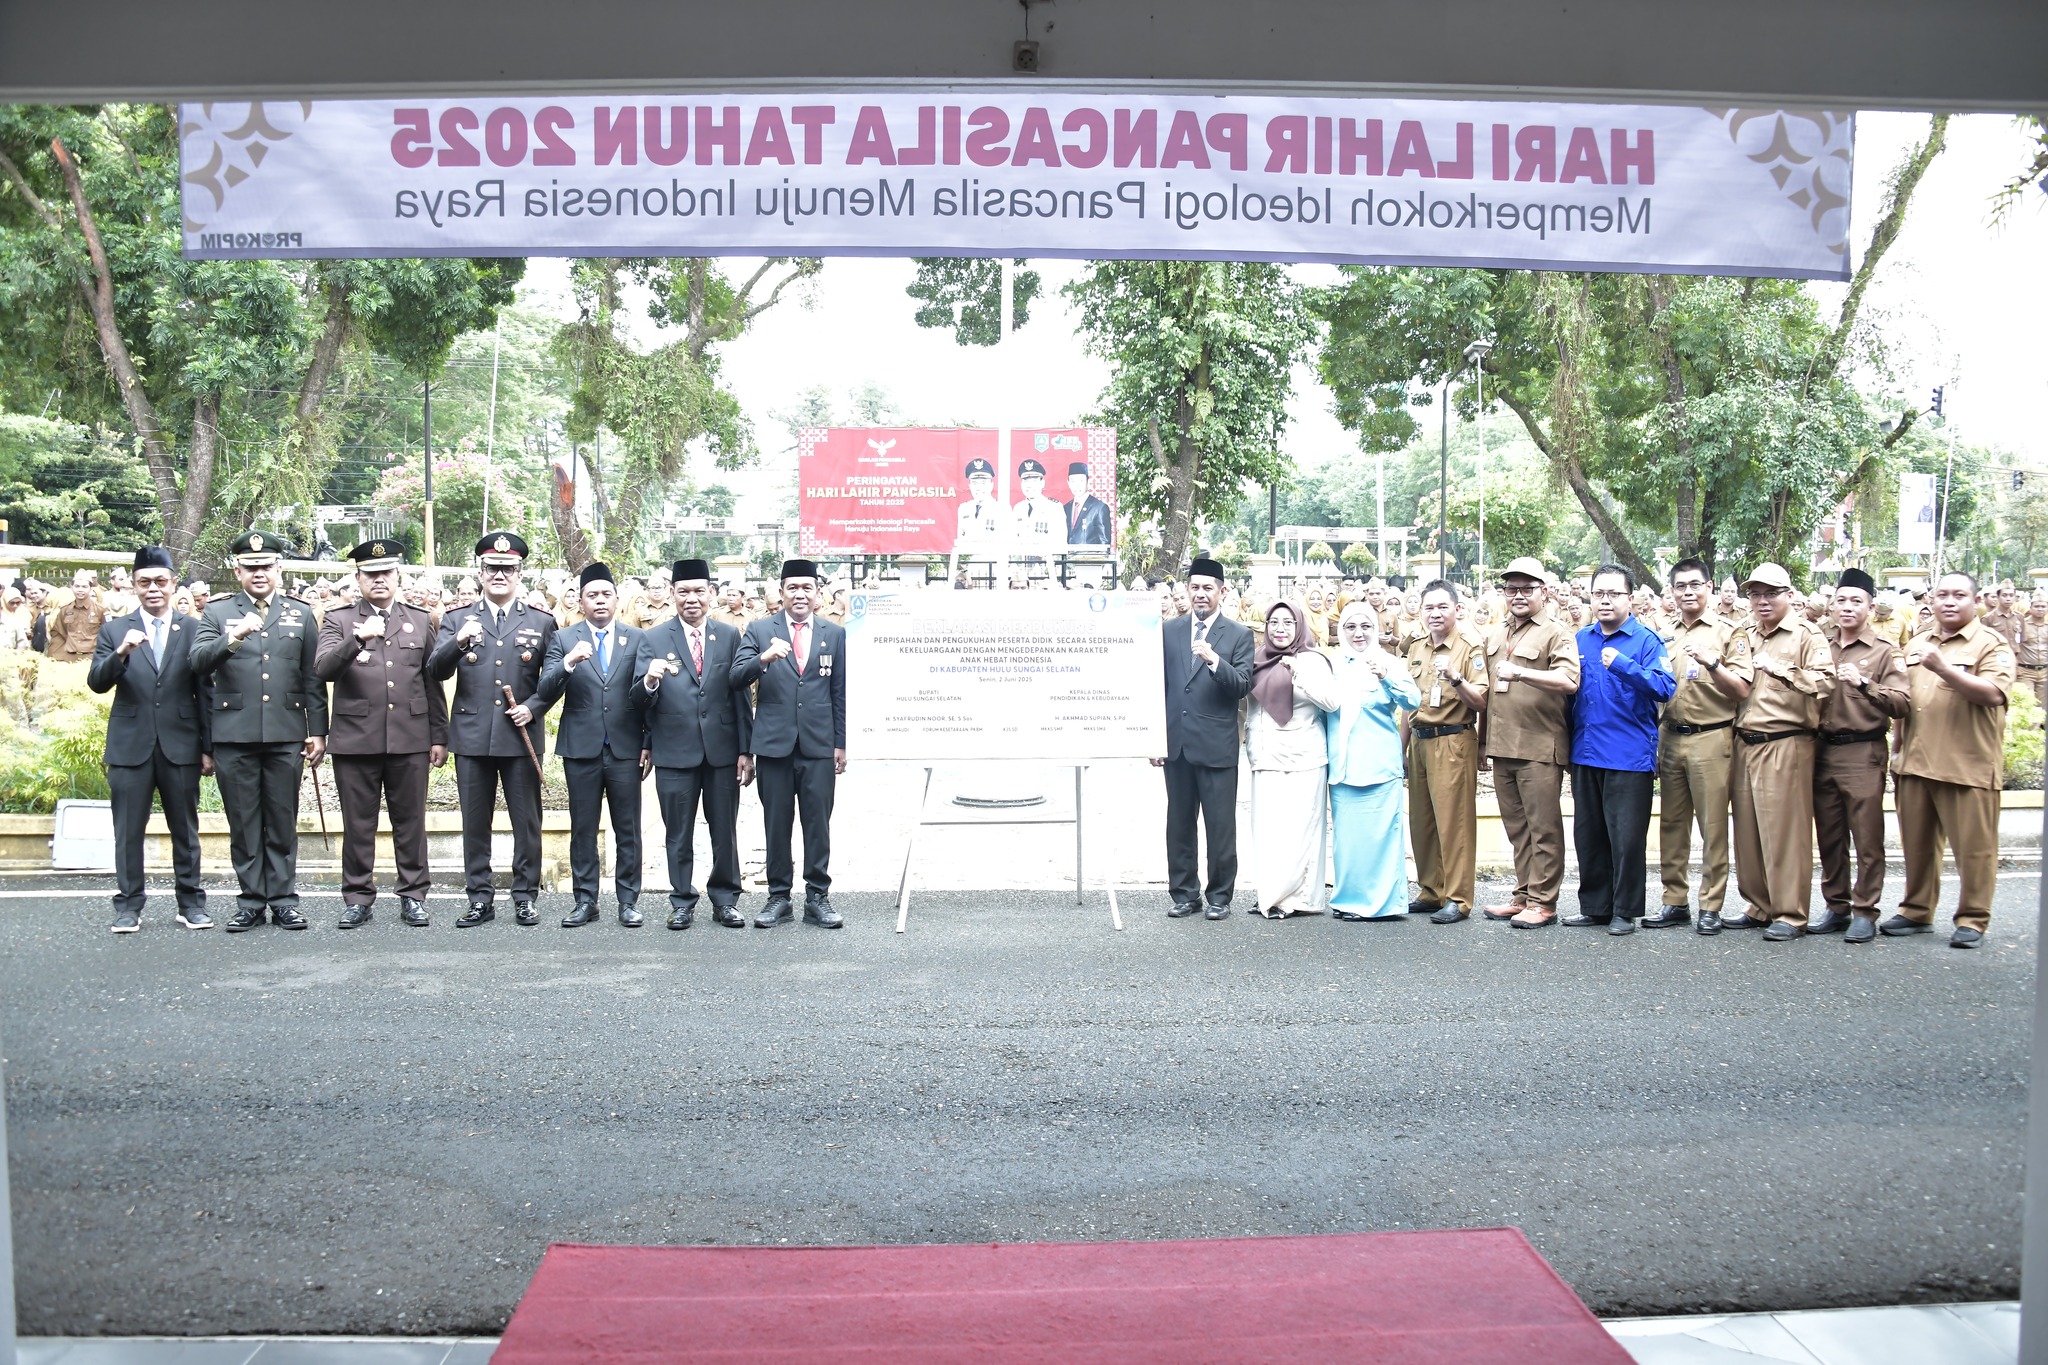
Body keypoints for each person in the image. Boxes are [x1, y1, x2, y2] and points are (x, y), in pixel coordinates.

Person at [189, 529, 329, 932]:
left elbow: (312, 678)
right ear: (238, 571)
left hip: (286, 733)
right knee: (245, 823)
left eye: (266, 566)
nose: (259, 573)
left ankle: (284, 899)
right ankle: (251, 900)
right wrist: (233, 637)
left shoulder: (299, 613)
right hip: (235, 734)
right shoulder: (217, 613)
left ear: (279, 568)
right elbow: (198, 662)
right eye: (251, 567)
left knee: (282, 820)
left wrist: (317, 731)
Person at [313, 538, 446, 930]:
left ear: (398, 575)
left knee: (411, 821)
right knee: (359, 823)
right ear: (358, 578)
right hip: (357, 738)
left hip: (410, 736)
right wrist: (358, 639)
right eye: (370, 574)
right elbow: (323, 670)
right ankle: (357, 897)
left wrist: (439, 735)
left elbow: (432, 681)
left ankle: (413, 895)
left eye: (386, 573)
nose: (379, 580)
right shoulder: (338, 619)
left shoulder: (420, 619)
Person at [429, 531, 556, 928]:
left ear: (520, 573)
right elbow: (435, 670)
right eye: (492, 568)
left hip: (520, 738)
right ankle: (480, 897)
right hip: (471, 735)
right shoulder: (455, 618)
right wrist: (457, 642)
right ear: (480, 572)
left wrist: (533, 710)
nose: (500, 574)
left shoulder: (542, 621)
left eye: (508, 568)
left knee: (526, 821)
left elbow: (553, 679)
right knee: (475, 822)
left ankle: (525, 896)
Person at [1883, 571, 2016, 949]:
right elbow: (1907, 701)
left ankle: (1973, 917)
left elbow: (1993, 694)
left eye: (1959, 595)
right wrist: (1898, 748)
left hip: (1966, 764)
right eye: (1942, 595)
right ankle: (1916, 910)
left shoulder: (1991, 644)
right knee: (1917, 844)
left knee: (1974, 849)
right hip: (1916, 761)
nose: (1949, 602)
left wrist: (1943, 668)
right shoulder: (1920, 641)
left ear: (1975, 602)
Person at [88, 546, 212, 934]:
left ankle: (190, 903)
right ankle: (128, 906)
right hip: (130, 744)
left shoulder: (193, 629)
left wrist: (208, 748)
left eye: (161, 581)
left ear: (174, 584)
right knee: (128, 831)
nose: (153, 589)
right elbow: (97, 682)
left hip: (181, 743)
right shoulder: (114, 630)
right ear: (133, 586)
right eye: (145, 583)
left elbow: (205, 693)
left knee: (185, 830)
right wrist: (122, 651)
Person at [636, 558, 754, 930]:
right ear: (672, 595)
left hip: (722, 750)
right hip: (674, 749)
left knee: (725, 828)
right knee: (678, 832)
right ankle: (682, 900)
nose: (691, 599)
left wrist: (745, 750)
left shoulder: (729, 635)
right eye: (683, 592)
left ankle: (725, 898)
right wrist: (651, 682)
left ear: (712, 595)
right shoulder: (652, 638)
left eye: (699, 591)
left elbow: (740, 696)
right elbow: (638, 700)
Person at [731, 558, 847, 928]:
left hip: (818, 745)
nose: (799, 594)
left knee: (818, 823)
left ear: (817, 593)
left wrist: (840, 743)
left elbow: (840, 692)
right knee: (776, 823)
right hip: (774, 745)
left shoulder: (834, 633)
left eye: (806, 587)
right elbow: (735, 677)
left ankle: (818, 898)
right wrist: (763, 659)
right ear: (780, 593)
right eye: (792, 587)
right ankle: (778, 897)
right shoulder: (760, 629)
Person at [1563, 565, 1676, 935]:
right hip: (1586, 751)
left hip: (1628, 755)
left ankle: (1624, 910)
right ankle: (1595, 906)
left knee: (1626, 838)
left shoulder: (1646, 641)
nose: (1606, 600)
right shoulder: (1580, 639)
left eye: (1614, 594)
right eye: (1599, 594)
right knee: (1588, 833)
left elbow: (1665, 687)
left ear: (1630, 599)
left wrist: (1625, 666)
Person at [536, 562, 647, 928]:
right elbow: (545, 689)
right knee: (583, 826)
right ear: (580, 602)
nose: (600, 601)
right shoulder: (565, 639)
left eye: (606, 595)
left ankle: (628, 900)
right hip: (581, 747)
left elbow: (648, 697)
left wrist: (648, 743)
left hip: (625, 748)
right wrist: (568, 663)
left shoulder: (636, 638)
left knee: (627, 827)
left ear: (617, 599)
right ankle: (586, 900)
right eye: (592, 596)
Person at [1728, 562, 1834, 941]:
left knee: (1785, 832)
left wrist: (1781, 670)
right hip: (1745, 740)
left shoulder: (1807, 634)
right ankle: (1759, 905)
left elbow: (1826, 683)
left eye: (1770, 593)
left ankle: (1790, 912)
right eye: (1755, 594)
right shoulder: (1745, 633)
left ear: (1790, 595)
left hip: (1786, 740)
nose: (1761, 600)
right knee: (1748, 830)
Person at [1653, 556, 1753, 933]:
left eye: (1695, 585)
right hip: (1670, 736)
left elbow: (1742, 689)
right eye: (1681, 586)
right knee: (1672, 824)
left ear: (1710, 588)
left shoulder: (1729, 632)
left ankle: (1710, 904)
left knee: (1712, 825)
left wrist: (1714, 664)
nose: (1688, 592)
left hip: (1711, 736)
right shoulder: (1664, 632)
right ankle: (1673, 900)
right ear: (1672, 592)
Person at [1810, 567, 1911, 943]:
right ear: (1832, 606)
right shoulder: (1820, 644)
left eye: (1856, 601)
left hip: (1863, 750)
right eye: (1841, 600)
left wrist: (1865, 683)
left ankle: (1865, 909)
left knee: (1867, 836)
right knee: (1830, 835)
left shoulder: (1885, 651)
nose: (1847, 607)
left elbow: (1902, 703)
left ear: (1870, 607)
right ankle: (1836, 906)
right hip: (1822, 750)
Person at [1154, 557, 1256, 920]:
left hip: (1216, 745)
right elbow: (1157, 687)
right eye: (1194, 587)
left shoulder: (1239, 635)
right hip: (1176, 745)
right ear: (1186, 590)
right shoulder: (1168, 630)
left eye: (1207, 588)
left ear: (1222, 592)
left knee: (1220, 825)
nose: (1200, 594)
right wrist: (1154, 738)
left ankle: (1219, 897)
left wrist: (1214, 660)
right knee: (1179, 823)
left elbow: (1243, 686)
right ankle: (1184, 894)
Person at [1480, 558, 1580, 929]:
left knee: (1544, 828)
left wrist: (1522, 672)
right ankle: (1523, 893)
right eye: (1511, 589)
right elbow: (1489, 694)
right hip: (1503, 745)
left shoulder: (1557, 632)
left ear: (1544, 592)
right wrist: (1482, 744)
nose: (1518, 595)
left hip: (1539, 745)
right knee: (1517, 828)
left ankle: (1543, 901)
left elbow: (1570, 681)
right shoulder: (1495, 633)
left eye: (1527, 588)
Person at [1243, 600, 1340, 918]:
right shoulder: (1257, 659)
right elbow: (1250, 707)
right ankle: (1271, 894)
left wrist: (1299, 675)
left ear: (1299, 626)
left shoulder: (1312, 660)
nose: (1280, 629)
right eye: (1274, 622)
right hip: (1266, 757)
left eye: (1288, 623)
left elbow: (1331, 702)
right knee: (1269, 831)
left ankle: (1298, 900)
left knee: (1301, 832)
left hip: (1303, 757)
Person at [1326, 602, 1421, 920]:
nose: (1358, 633)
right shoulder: (1333, 665)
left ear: (1376, 629)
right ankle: (1348, 899)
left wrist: (1385, 678)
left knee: (1380, 840)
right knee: (1348, 841)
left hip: (1379, 765)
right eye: (1351, 626)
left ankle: (1380, 905)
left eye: (1365, 626)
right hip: (1343, 766)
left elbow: (1413, 700)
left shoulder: (1388, 662)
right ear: (1341, 631)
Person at [1403, 580, 1489, 923]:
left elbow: (1481, 702)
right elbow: (1407, 704)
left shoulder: (1469, 648)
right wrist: (1401, 748)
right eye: (1429, 608)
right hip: (1419, 739)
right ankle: (1431, 890)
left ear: (1457, 609)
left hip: (1453, 740)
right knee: (1421, 820)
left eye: (1442, 607)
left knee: (1454, 822)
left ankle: (1458, 897)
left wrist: (1456, 678)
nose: (1435, 614)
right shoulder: (1416, 648)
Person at [46, 569, 104, 663]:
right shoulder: (65, 610)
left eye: (84, 587)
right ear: (71, 587)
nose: (80, 590)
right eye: (77, 586)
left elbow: (107, 634)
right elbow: (58, 633)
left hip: (92, 658)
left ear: (90, 588)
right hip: (69, 659)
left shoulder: (101, 610)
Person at [1012, 458, 1065, 559]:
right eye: (1026, 481)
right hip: (1021, 566)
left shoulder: (1054, 508)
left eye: (1034, 481)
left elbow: (1060, 543)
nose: (1029, 485)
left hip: (1046, 566)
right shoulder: (1018, 508)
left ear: (1042, 483)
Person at [955, 457, 1004, 551]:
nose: (978, 488)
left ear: (991, 485)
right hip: (969, 564)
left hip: (993, 563)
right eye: (974, 483)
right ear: (969, 485)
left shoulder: (1001, 508)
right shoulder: (964, 509)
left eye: (983, 483)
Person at [1062, 461, 1112, 546]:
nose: (1077, 485)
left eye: (1081, 480)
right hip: (1067, 558)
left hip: (1089, 558)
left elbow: (1104, 544)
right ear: (1068, 483)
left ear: (1088, 482)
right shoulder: (1065, 508)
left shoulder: (1099, 508)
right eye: (1073, 481)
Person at [2020, 590, 2048, 707]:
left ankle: (2038, 726)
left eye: (2043, 606)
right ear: (2030, 608)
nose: (2040, 609)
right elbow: (2014, 646)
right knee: (2027, 706)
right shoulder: (2021, 625)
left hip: (2045, 672)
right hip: (2025, 672)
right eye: (2037, 606)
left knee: (2042, 708)